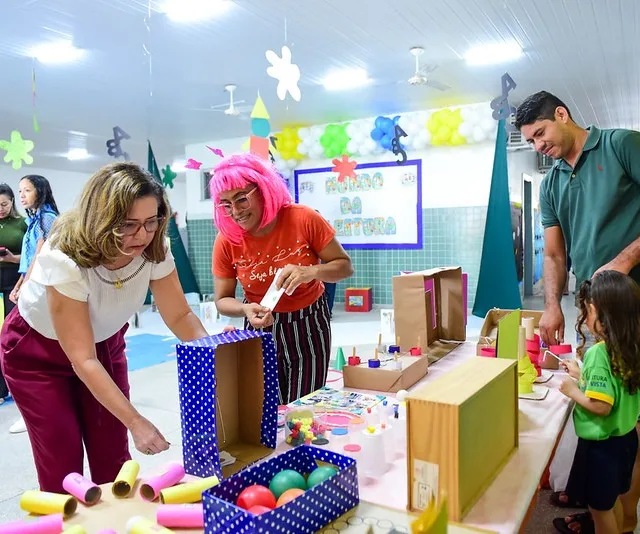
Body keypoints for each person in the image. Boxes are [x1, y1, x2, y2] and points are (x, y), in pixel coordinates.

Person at [0, 162, 209, 494]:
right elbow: (82, 359)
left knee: (113, 455)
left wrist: (215, 360)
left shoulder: (154, 246)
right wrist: (137, 421)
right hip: (37, 351)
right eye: (128, 225)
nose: (142, 235)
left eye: (151, 221)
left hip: (104, 343)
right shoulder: (65, 256)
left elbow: (181, 317)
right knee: (62, 459)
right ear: (102, 220)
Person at [516, 91, 640, 533]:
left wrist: (625, 262)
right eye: (530, 141)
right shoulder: (551, 184)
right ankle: (599, 504)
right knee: (598, 391)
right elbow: (553, 254)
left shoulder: (621, 145)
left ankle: (621, 516)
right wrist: (552, 306)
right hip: (593, 313)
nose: (538, 147)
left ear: (562, 115)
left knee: (630, 418)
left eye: (541, 134)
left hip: (632, 309)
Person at [210, 153, 353, 404]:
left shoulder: (303, 218)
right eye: (226, 204)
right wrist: (245, 309)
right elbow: (222, 300)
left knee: (303, 408)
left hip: (309, 322)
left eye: (242, 199)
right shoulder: (227, 241)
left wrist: (310, 271)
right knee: (264, 408)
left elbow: (344, 267)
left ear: (263, 188)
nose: (235, 212)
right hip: (260, 327)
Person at [556, 271, 640, 534]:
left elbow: (602, 406)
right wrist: (583, 376)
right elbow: (616, 387)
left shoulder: (598, 353)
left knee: (600, 510)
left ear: (598, 312)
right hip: (626, 442)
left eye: (587, 310)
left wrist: (572, 390)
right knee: (612, 499)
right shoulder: (629, 347)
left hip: (602, 448)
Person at [7, 175, 60, 433]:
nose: (23, 195)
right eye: (20, 191)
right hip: (30, 286)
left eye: (27, 190)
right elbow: (27, 260)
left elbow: (40, 257)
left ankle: (34, 409)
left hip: (40, 289)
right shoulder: (35, 219)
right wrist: (19, 284)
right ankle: (30, 409)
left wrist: (24, 286)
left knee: (29, 348)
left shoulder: (47, 219)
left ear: (40, 190)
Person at [0, 183, 27, 404]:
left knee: (12, 336)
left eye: (4, 204)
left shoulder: (22, 223)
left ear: (12, 203)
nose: (1, 208)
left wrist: (11, 258)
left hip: (14, 284)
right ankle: (1, 390)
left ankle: (19, 386)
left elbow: (31, 257)